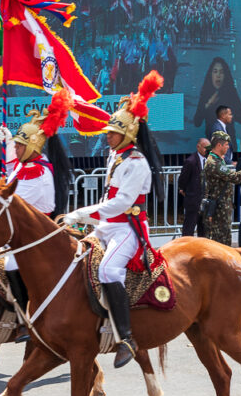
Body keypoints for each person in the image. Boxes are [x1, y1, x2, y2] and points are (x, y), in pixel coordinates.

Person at [64, 72, 166, 368]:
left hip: (128, 228)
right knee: (76, 258)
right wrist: (86, 221)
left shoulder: (136, 162)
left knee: (108, 270)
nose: (106, 135)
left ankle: (126, 337)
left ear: (128, 135)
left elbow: (121, 203)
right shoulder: (116, 156)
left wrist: (84, 213)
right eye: (107, 132)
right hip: (109, 226)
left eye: (112, 132)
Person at [0, 90, 72, 343]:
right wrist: (7, 143)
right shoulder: (25, 164)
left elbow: (14, 199)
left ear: (31, 147)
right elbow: (10, 171)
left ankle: (24, 319)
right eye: (16, 145)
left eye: (19, 145)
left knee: (10, 264)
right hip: (22, 227)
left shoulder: (36, 171)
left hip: (36, 230)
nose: (16, 148)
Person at [203, 131, 241, 246]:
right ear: (219, 145)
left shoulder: (217, 160)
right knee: (221, 241)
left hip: (222, 206)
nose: (228, 147)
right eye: (226, 145)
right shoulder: (214, 163)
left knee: (224, 238)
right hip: (219, 208)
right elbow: (235, 178)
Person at [193, 57, 241, 136]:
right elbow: (197, 122)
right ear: (211, 75)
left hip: (228, 143)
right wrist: (208, 105)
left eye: (221, 72)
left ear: (225, 76)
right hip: (212, 142)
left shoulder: (231, 94)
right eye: (215, 72)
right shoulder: (206, 94)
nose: (218, 75)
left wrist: (228, 115)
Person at [178, 138, 209, 237]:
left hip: (205, 200)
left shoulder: (209, 160)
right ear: (198, 147)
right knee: (189, 228)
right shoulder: (190, 161)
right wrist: (184, 190)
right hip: (193, 200)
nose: (206, 150)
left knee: (203, 229)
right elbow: (183, 179)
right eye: (205, 148)